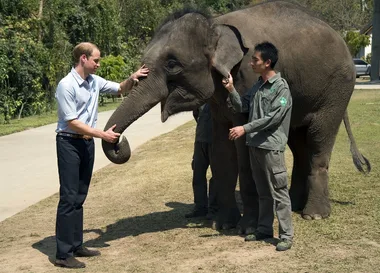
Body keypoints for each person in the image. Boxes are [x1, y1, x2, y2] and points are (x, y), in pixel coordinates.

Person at [54, 42, 149, 268]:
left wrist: (133, 77)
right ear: (83, 59)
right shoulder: (66, 85)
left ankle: (76, 245)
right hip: (69, 143)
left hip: (86, 144)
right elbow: (71, 122)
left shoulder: (94, 81)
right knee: (68, 197)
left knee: (80, 196)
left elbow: (120, 88)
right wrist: (101, 135)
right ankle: (62, 254)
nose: (98, 64)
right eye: (96, 60)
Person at [222, 42, 294, 251]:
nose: (251, 63)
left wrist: (244, 128)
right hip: (255, 145)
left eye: (255, 59)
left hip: (271, 147)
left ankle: (286, 235)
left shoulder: (281, 88)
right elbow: (242, 106)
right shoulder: (258, 85)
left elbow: (273, 118)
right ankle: (264, 228)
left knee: (279, 191)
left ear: (267, 62)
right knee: (263, 191)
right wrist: (231, 89)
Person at [185, 103, 217, 220]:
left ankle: (214, 208)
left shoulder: (217, 96)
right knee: (198, 175)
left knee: (216, 177)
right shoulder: (200, 98)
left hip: (215, 141)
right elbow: (196, 115)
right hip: (200, 140)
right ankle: (200, 207)